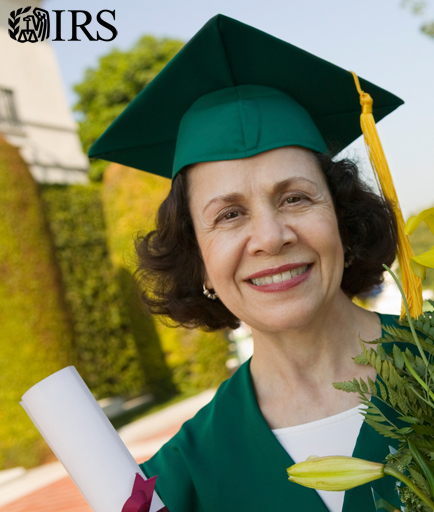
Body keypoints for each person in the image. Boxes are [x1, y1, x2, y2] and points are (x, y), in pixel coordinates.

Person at [88, 14, 415, 512]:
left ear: (343, 220)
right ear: (196, 259)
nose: (270, 237)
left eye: (296, 199)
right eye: (230, 214)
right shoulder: (176, 482)